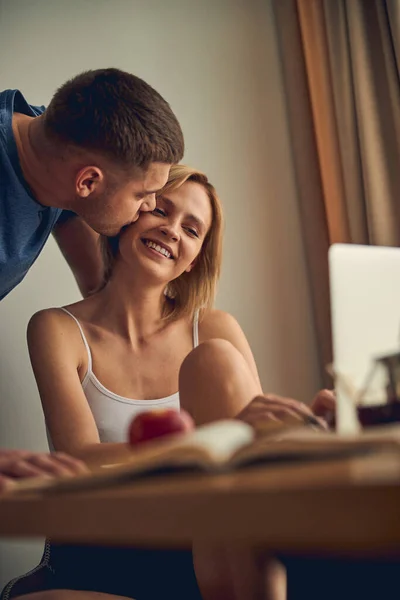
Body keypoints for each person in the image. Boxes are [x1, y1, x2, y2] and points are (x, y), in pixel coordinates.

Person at [3, 165, 334, 600]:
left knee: (214, 362)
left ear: (195, 258)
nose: (172, 230)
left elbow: (255, 456)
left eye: (192, 230)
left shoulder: (214, 329)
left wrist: (308, 427)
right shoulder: (57, 329)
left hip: (204, 550)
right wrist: (199, 444)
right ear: (131, 213)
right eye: (160, 209)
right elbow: (78, 461)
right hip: (105, 546)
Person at [0, 67, 184, 488]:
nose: (149, 207)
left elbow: (101, 284)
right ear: (88, 181)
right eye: (143, 195)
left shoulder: (51, 142)